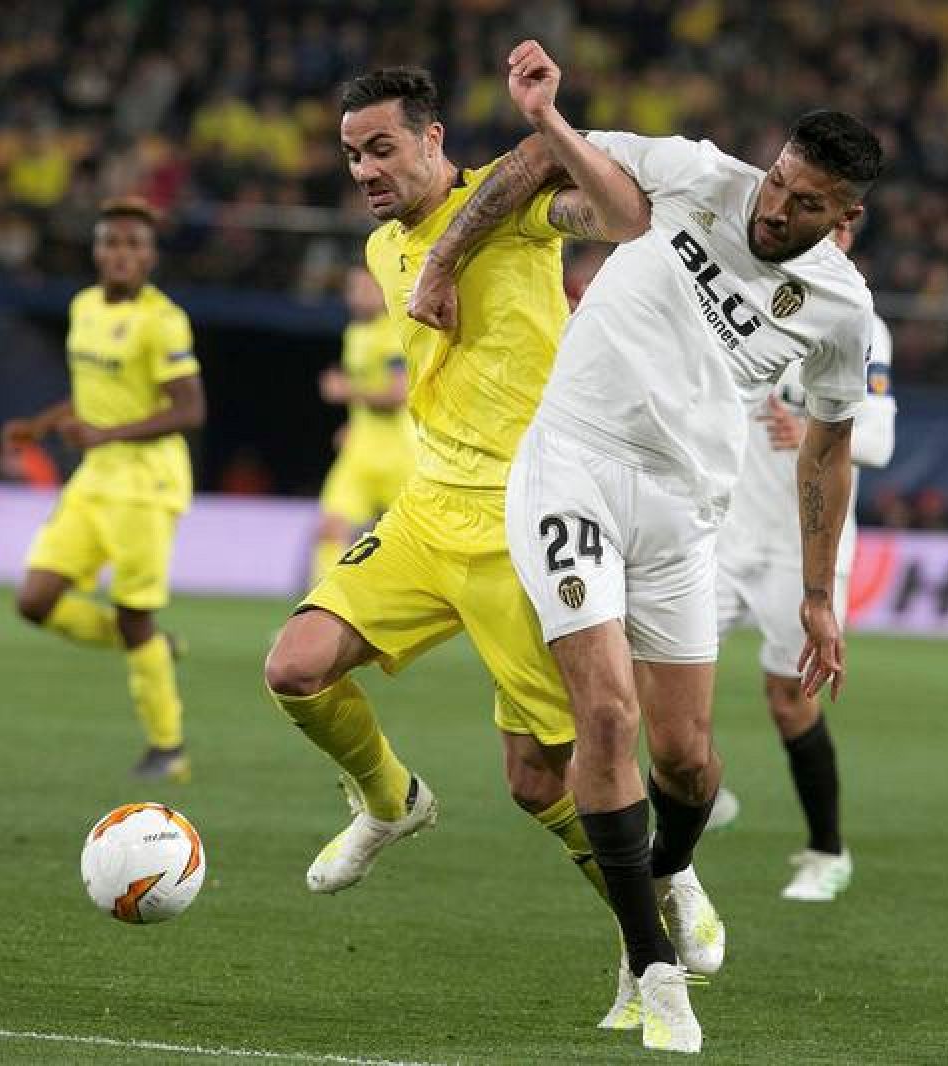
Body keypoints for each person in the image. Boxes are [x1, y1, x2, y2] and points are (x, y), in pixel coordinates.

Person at [413, 41, 883, 1053]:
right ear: (773, 161)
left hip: (683, 509)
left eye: (806, 205)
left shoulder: (841, 311)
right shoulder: (698, 174)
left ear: (842, 216)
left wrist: (816, 593)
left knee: (689, 758)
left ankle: (664, 881)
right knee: (607, 711)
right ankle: (654, 966)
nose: (775, 210)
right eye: (780, 183)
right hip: (572, 463)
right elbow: (540, 164)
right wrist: (449, 256)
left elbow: (829, 450)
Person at [259, 67, 659, 1029]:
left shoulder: (513, 210)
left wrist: (549, 123)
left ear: (435, 141)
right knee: (297, 666)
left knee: (544, 781)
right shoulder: (381, 248)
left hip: (527, 517)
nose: (364, 168)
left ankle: (646, 945)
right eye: (352, 153)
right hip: (427, 507)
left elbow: (621, 214)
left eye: (382, 147)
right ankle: (390, 801)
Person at [706, 218, 898, 904]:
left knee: (789, 700)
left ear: (851, 231)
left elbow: (877, 438)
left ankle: (827, 850)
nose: (828, 232)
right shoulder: (746, 287)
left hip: (802, 545)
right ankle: (703, 792)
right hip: (727, 531)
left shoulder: (859, 322)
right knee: (653, 666)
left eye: (842, 222)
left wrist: (814, 428)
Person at [3, 197, 206, 783]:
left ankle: (168, 747)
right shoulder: (83, 306)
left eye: (133, 245)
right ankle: (152, 648)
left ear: (150, 257)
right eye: (111, 242)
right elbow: (92, 393)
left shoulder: (163, 321)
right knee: (34, 602)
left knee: (133, 615)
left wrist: (104, 433)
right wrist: (40, 426)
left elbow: (190, 409)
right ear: (96, 251)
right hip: (94, 480)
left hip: (147, 484)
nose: (121, 254)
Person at [310, 265, 416, 583]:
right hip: (360, 452)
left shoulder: (394, 332)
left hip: (400, 454)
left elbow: (399, 395)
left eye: (366, 288)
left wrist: (346, 390)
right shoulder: (354, 334)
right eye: (353, 289)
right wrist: (353, 425)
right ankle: (320, 616)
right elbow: (366, 395)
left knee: (411, 544)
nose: (357, 295)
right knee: (331, 528)